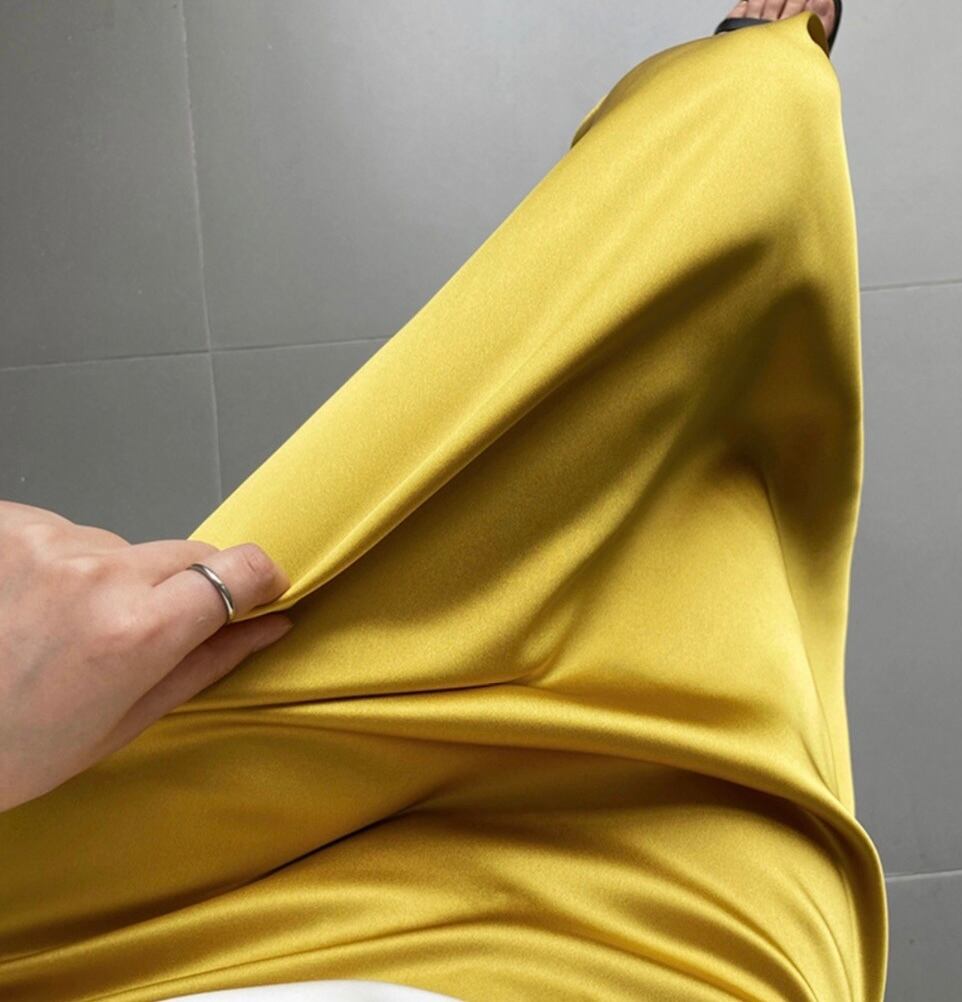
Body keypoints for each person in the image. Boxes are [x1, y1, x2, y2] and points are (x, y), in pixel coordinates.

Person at [1, 3, 887, 1001]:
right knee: (743, 787)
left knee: (725, 164)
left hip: (171, 880)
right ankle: (732, 118)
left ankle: (729, 123)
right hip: (642, 921)